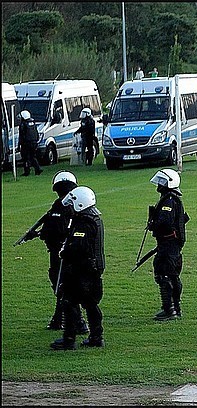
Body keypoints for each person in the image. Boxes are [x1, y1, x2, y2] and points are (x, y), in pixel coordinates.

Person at [51, 186, 105, 350]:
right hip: (92, 270)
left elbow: (77, 248)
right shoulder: (95, 219)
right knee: (90, 304)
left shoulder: (84, 224)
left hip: (81, 271)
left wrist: (64, 252)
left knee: (70, 303)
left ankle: (69, 339)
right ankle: (96, 337)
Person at [38, 171, 88, 334]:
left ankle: (78, 323)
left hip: (62, 253)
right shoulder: (70, 205)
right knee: (63, 287)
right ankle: (60, 319)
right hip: (64, 252)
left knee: (65, 288)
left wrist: (43, 234)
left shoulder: (62, 206)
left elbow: (55, 229)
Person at [147, 169, 190, 321]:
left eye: (162, 181)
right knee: (170, 274)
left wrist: (154, 225)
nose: (159, 184)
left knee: (165, 274)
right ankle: (173, 308)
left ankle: (170, 309)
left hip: (169, 244)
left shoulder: (169, 201)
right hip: (169, 244)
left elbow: (165, 222)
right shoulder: (170, 199)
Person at [18, 110, 43, 176]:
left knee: (25, 158)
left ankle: (27, 171)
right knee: (33, 157)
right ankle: (38, 169)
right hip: (34, 143)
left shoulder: (23, 124)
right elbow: (36, 133)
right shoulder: (33, 123)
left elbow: (21, 136)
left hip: (26, 143)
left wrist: (19, 145)